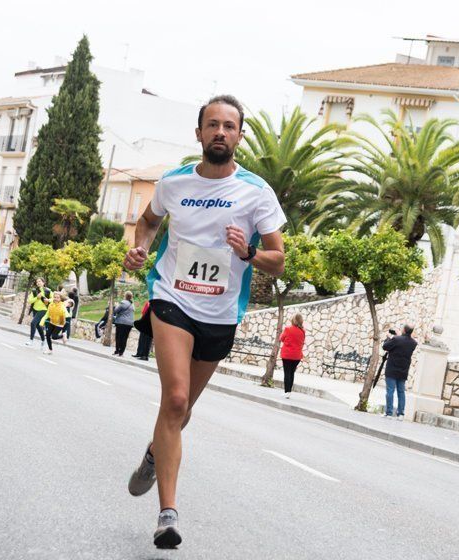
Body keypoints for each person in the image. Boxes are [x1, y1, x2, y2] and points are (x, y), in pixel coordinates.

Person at [123, 94, 286, 549]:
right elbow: (148, 221)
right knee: (174, 399)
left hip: (220, 313)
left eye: (228, 126)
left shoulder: (256, 192)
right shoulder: (173, 183)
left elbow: (279, 260)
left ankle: (156, 452)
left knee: (182, 411)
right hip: (171, 298)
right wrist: (140, 247)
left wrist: (248, 252)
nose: (220, 132)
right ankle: (167, 515)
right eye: (211, 124)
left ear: (239, 136)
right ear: (198, 134)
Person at [382, 324, 418, 420]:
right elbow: (404, 342)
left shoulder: (396, 339)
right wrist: (397, 336)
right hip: (403, 371)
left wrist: (390, 338)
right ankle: (401, 414)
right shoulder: (413, 343)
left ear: (404, 330)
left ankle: (389, 413)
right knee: (401, 392)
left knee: (390, 391)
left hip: (392, 369)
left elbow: (385, 347)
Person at [279, 313, 305, 399]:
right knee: (291, 373)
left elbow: (281, 339)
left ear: (293, 320)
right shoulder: (303, 331)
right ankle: (289, 392)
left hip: (287, 355)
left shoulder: (287, 329)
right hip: (297, 356)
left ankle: (287, 392)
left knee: (287, 373)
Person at [24, 278, 51, 347]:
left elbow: (53, 299)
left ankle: (31, 340)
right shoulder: (34, 291)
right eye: (37, 282)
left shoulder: (48, 291)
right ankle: (43, 339)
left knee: (33, 323)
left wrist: (48, 300)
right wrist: (37, 298)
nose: (38, 283)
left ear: (43, 282)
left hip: (43, 309)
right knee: (38, 325)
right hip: (35, 309)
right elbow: (30, 301)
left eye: (39, 281)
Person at [113, 291, 135, 356]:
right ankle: (121, 352)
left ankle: (117, 350)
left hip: (121, 322)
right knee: (125, 338)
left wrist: (116, 305)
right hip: (129, 324)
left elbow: (116, 311)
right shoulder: (132, 304)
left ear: (125, 296)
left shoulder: (123, 303)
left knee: (119, 337)